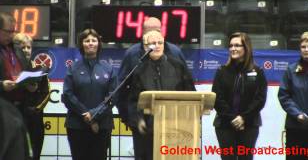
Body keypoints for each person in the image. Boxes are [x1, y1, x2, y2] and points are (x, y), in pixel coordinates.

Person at [127, 30, 195, 160]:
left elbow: (191, 93)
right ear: (146, 47)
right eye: (153, 43)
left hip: (175, 127)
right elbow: (133, 100)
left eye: (160, 42)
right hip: (149, 129)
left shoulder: (178, 66)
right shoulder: (139, 70)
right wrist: (138, 119)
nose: (157, 46)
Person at [116, 16, 187, 125]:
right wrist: (129, 118)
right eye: (150, 31)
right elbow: (121, 89)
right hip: (141, 121)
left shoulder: (175, 53)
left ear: (162, 32)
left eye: (157, 31)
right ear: (143, 33)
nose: (154, 35)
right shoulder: (132, 55)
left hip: (172, 120)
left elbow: (186, 87)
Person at [62, 28, 117, 160]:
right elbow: (67, 95)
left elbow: (112, 96)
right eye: (87, 41)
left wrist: (94, 114)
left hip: (102, 126)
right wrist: (85, 114)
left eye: (94, 40)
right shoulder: (72, 68)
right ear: (82, 44)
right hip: (76, 125)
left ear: (99, 44)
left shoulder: (108, 69)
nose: (90, 43)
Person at [211, 32, 267, 160]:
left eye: (237, 45)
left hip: (249, 124)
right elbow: (217, 98)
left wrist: (243, 118)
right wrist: (233, 118)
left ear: (246, 48)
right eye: (230, 46)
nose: (233, 49)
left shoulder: (258, 72)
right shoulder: (222, 71)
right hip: (224, 124)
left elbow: (260, 99)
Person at [278, 31, 308, 160]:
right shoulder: (291, 70)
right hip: (295, 126)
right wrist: (298, 114)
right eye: (303, 47)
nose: (306, 50)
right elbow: (284, 96)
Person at [0, 12, 33, 159]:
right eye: (8, 31)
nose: (12, 35)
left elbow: (26, 71)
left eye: (14, 31)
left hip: (21, 108)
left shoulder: (17, 49)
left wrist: (30, 83)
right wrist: (1, 85)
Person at [13, 33, 51, 160]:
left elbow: (46, 93)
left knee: (34, 154)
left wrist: (35, 108)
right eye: (22, 47)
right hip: (14, 118)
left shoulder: (40, 68)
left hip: (35, 120)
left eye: (29, 47)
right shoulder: (10, 68)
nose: (26, 50)